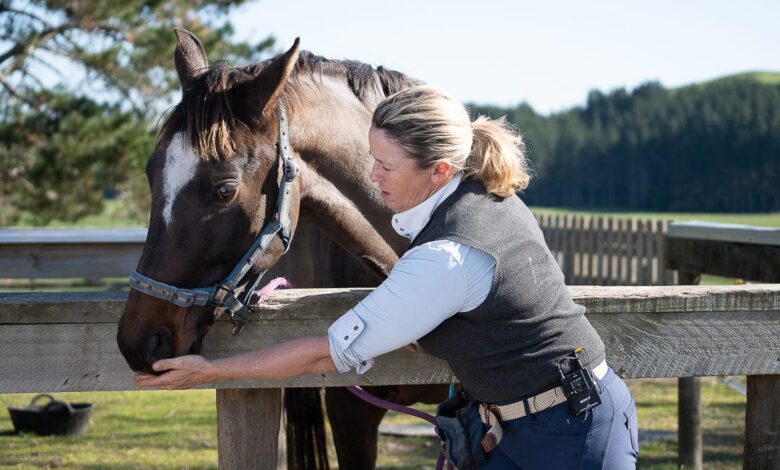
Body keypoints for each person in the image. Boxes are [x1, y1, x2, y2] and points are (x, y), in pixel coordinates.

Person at [136, 85, 639, 469]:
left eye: (385, 166)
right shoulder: (486, 198)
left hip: (569, 435)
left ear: (438, 171)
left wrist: (211, 372)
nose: (372, 179)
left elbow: (322, 355)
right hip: (535, 421)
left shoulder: (446, 254)